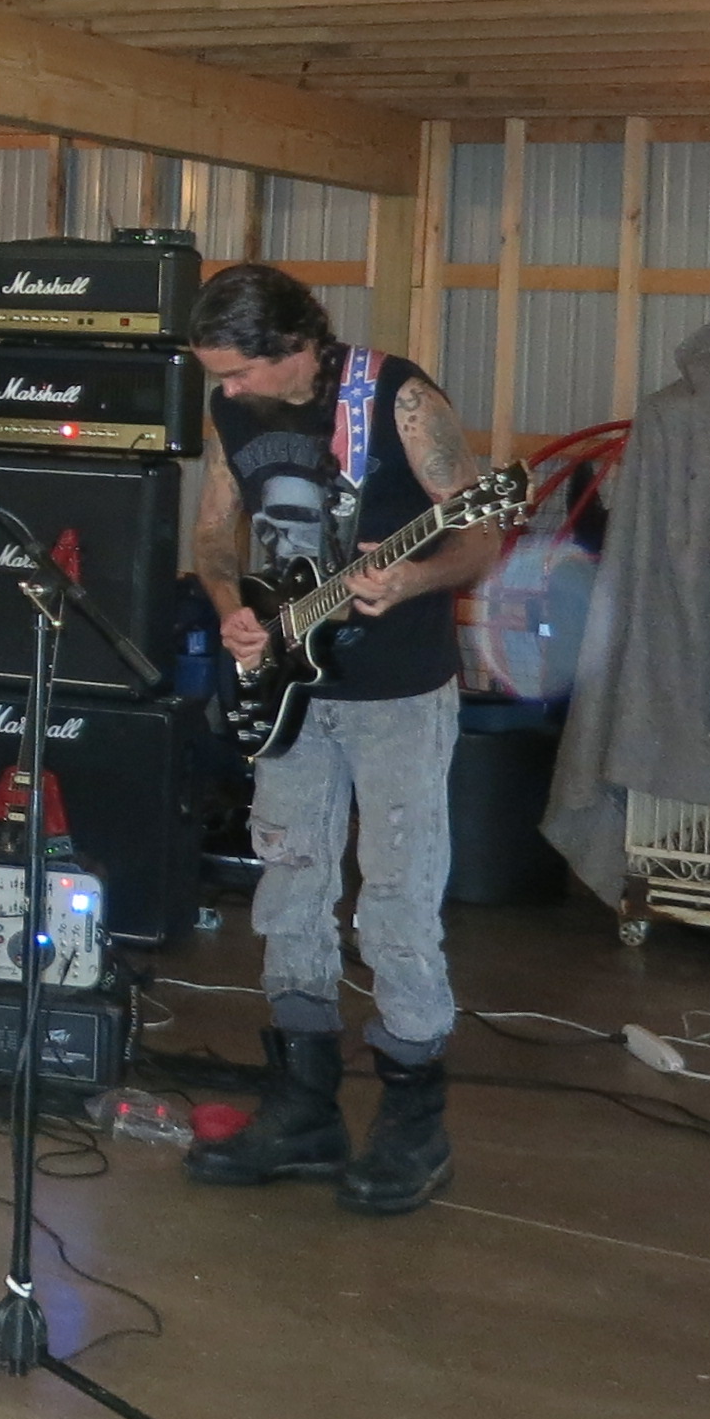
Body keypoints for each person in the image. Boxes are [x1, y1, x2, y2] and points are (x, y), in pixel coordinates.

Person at [179, 261, 499, 1218]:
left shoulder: (398, 400)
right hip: (288, 691)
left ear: (294, 345)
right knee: (289, 888)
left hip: (397, 691)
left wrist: (410, 579)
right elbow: (213, 536)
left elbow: (481, 534)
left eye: (238, 371)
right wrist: (233, 610)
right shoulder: (232, 407)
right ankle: (303, 1109)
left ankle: (414, 1122)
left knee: (396, 897)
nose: (227, 390)